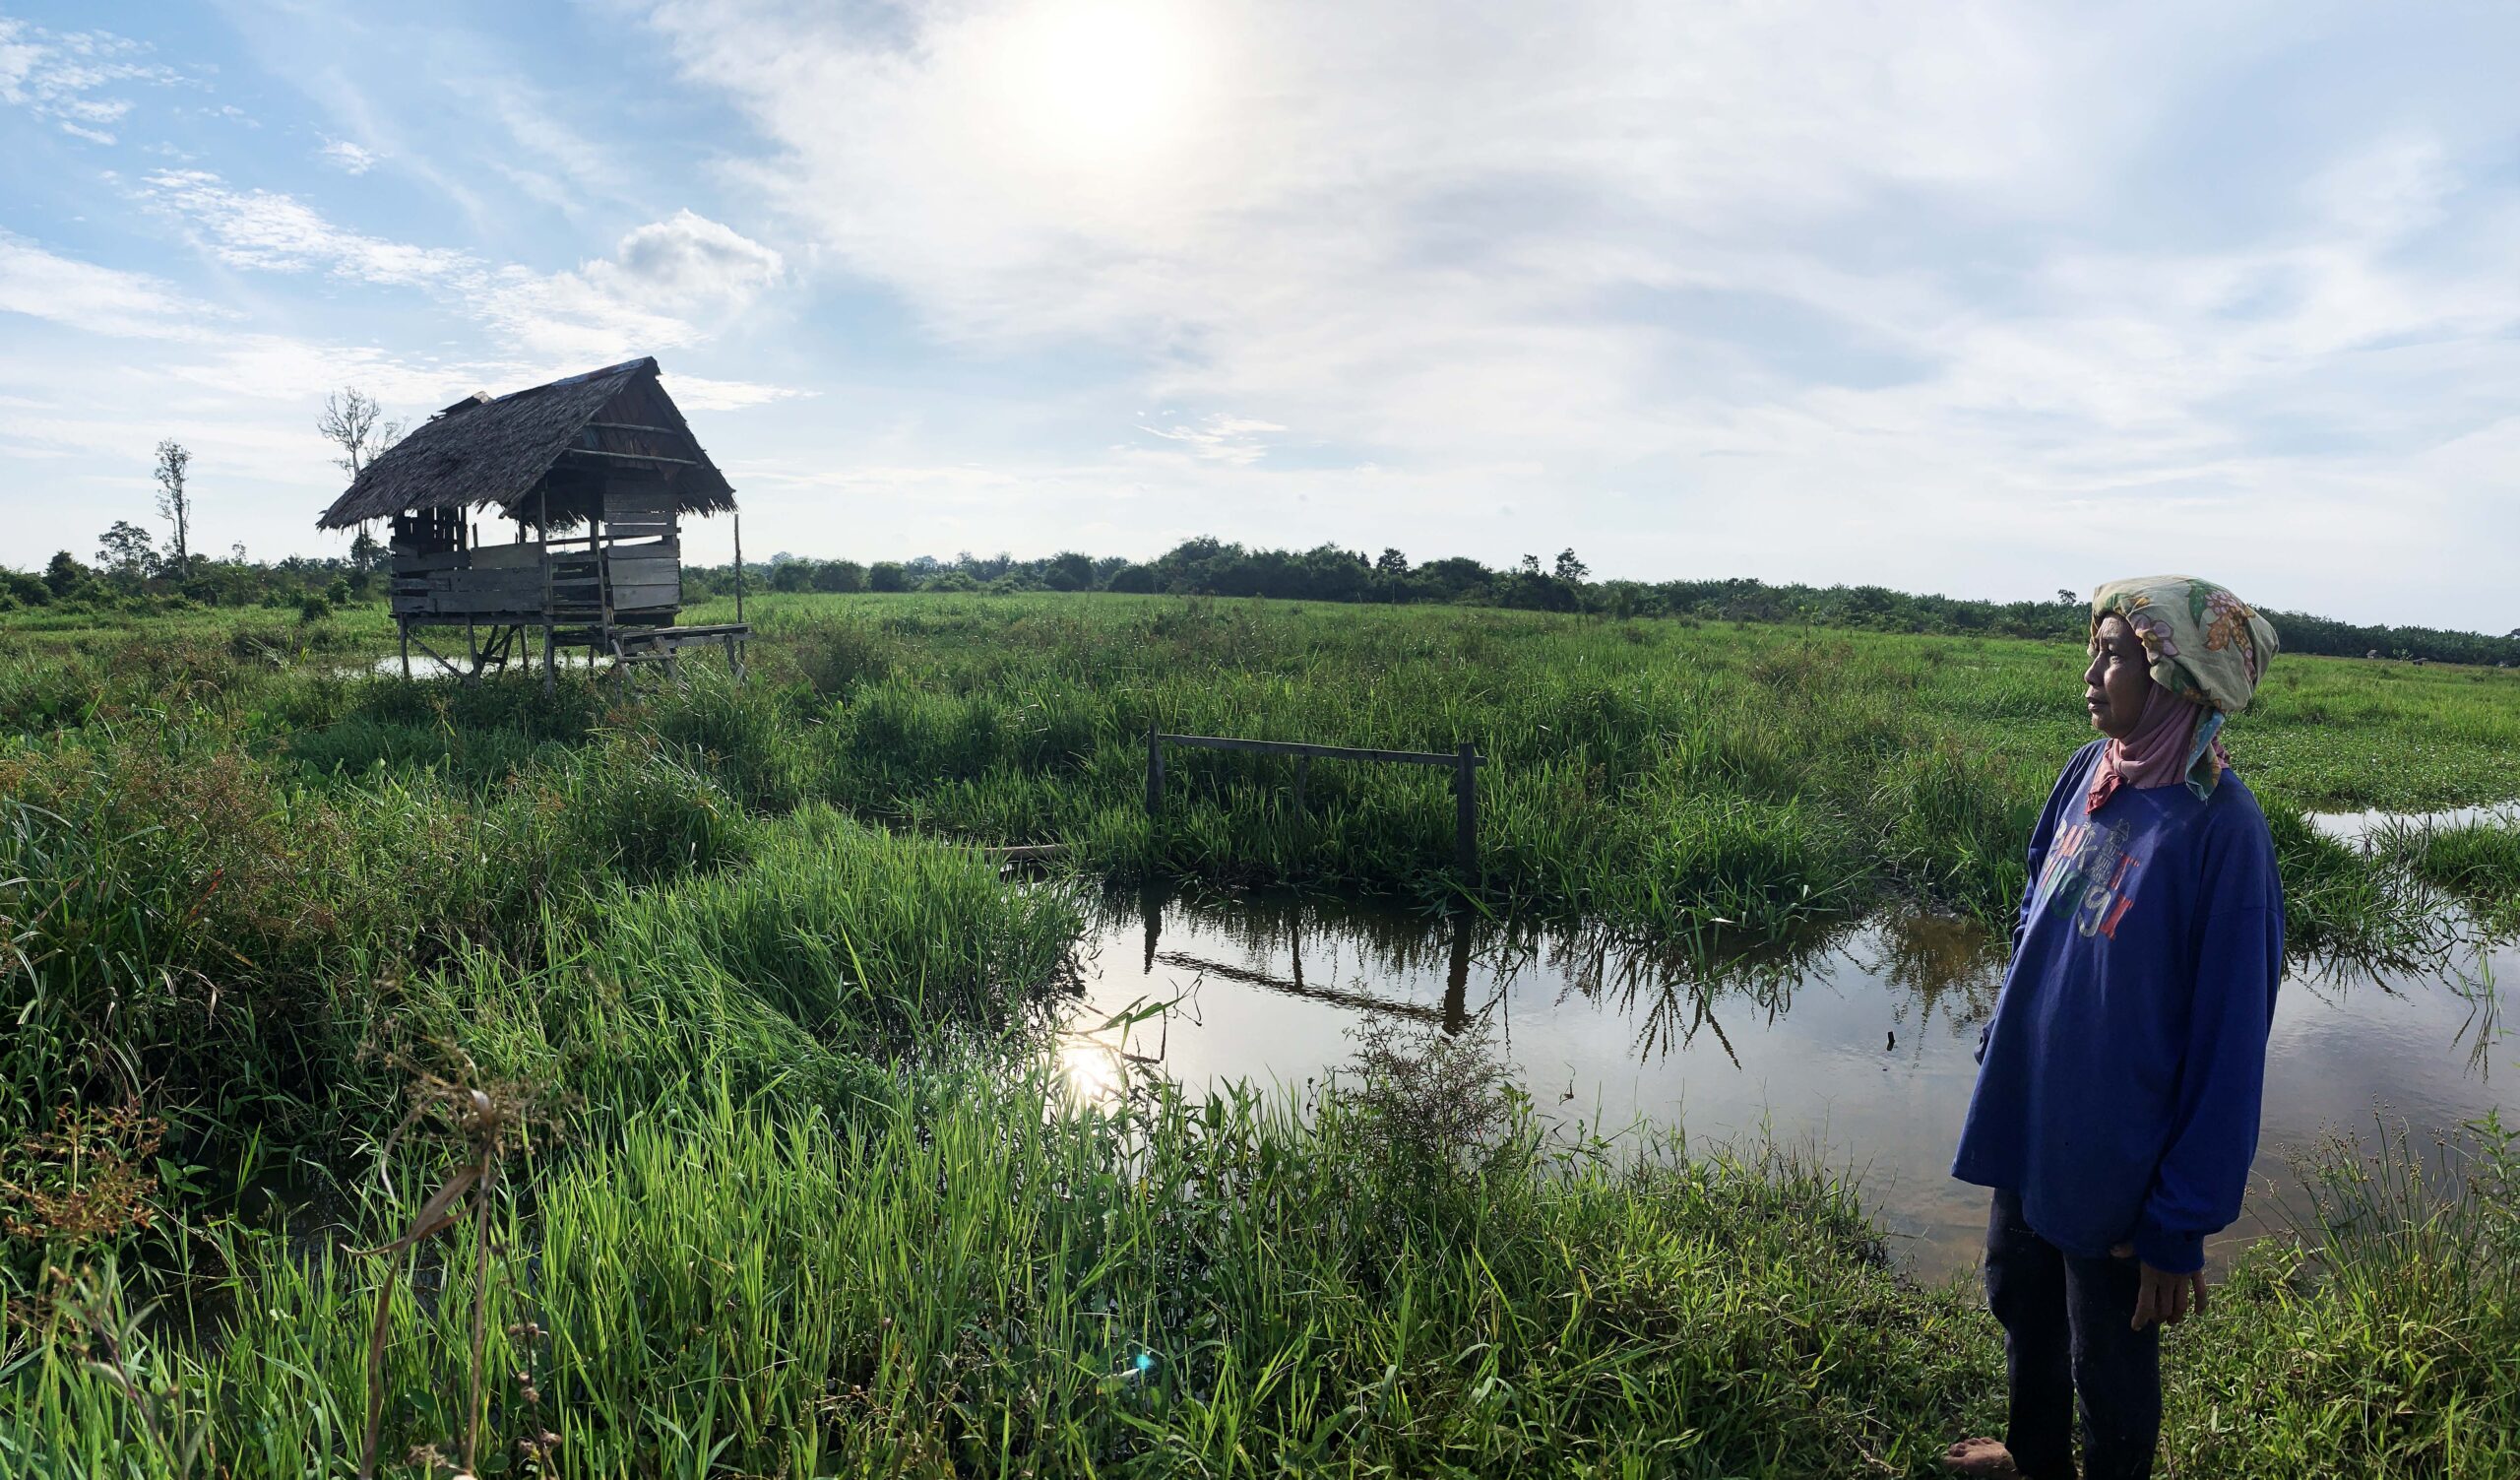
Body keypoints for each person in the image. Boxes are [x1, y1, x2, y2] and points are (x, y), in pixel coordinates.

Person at [1941, 576, 2285, 1480]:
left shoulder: (2221, 831)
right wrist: (2002, 1050)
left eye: (2116, 655)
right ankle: (2031, 1456)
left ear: (2176, 675)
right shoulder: (2088, 771)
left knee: (2112, 1360)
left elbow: (2229, 1044)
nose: (2092, 673)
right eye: (2092, 650)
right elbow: (2035, 913)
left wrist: (2180, 1221)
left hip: (2119, 1165)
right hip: (2033, 1118)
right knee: (2020, 1295)